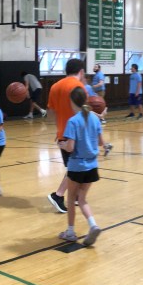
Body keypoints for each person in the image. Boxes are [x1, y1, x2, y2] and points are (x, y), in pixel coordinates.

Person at [58, 86, 108, 246]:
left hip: (77, 166)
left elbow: (70, 147)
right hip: (92, 166)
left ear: (72, 102)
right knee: (83, 199)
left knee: (71, 199)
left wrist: (62, 145)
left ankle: (71, 232)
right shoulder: (94, 118)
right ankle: (93, 225)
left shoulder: (73, 121)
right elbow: (101, 142)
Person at [46, 58, 88, 212]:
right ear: (81, 71)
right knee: (75, 168)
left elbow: (50, 113)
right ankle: (58, 195)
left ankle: (75, 195)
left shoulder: (55, 86)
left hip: (62, 133)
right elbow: (84, 112)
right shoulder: (78, 86)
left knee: (76, 168)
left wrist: (59, 128)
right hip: (76, 134)